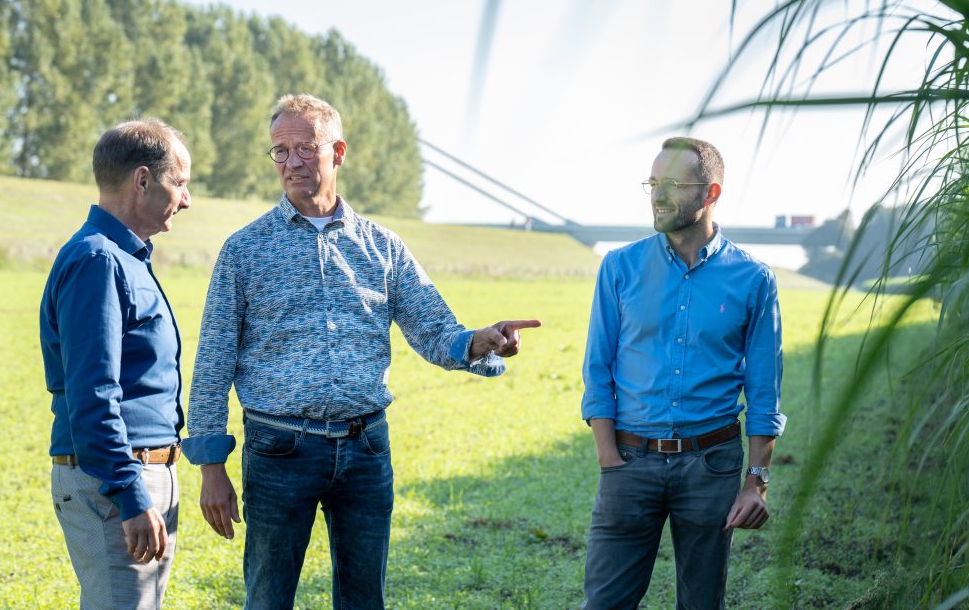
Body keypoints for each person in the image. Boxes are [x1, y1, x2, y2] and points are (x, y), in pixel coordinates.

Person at [182, 93, 541, 609]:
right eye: (280, 151)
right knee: (268, 599)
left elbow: (434, 330)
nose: (292, 162)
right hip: (278, 450)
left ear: (338, 152)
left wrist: (479, 342)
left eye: (306, 148)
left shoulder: (383, 246)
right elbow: (213, 361)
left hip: (366, 451)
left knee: (364, 600)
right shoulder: (244, 250)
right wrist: (210, 466)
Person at [580, 137, 785, 609]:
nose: (657, 194)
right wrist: (609, 457)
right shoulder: (619, 267)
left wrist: (756, 481)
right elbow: (598, 368)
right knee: (605, 603)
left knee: (701, 603)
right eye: (653, 183)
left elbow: (764, 390)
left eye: (672, 184)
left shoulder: (753, 279)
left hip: (712, 465)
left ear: (710, 193)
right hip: (629, 461)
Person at [40, 119, 193, 609]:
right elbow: (93, 392)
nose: (186, 200)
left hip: (134, 475)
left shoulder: (125, 258)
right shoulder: (98, 261)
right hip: (115, 481)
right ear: (142, 180)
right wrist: (129, 492)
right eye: (180, 183)